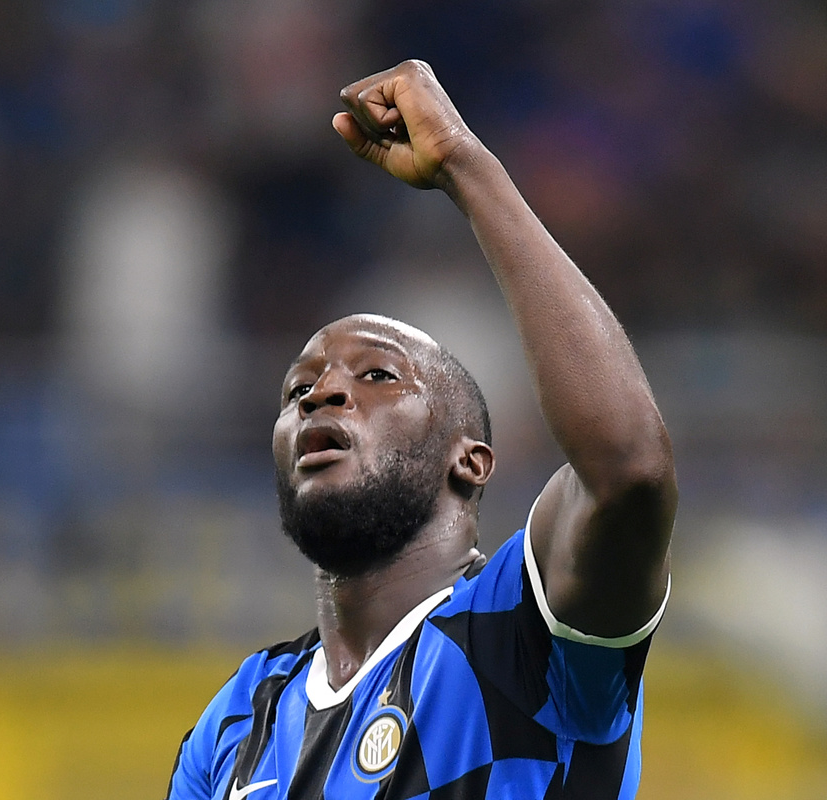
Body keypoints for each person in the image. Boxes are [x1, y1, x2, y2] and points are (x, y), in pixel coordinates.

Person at [165, 60, 677, 799]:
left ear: (469, 461)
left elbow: (628, 470)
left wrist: (467, 166)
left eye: (377, 376)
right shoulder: (239, 719)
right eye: (297, 390)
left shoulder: (522, 631)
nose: (320, 394)